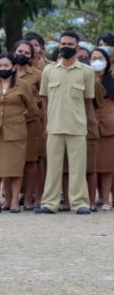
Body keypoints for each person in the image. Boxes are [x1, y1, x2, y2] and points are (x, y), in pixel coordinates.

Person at [36, 30, 96, 215]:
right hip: (54, 126)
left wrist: (87, 125)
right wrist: (46, 124)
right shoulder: (49, 71)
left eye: (70, 45)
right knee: (53, 167)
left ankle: (79, 203)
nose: (66, 47)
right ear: (59, 46)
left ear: (77, 48)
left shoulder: (86, 72)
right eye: (63, 44)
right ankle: (50, 203)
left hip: (77, 127)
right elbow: (44, 99)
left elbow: (88, 102)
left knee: (78, 167)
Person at [0, 54, 36, 213]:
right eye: (0, 66)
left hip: (16, 131)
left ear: (13, 67)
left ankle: (14, 201)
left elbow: (33, 109)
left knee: (15, 168)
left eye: (6, 65)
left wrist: (19, 117)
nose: (3, 68)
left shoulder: (22, 85)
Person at [13, 40, 44, 210]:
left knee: (31, 161)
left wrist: (32, 105)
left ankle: (29, 199)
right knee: (13, 160)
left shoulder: (37, 74)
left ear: (31, 56)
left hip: (31, 122)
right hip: (10, 123)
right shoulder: (7, 71)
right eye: (20, 51)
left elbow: (44, 97)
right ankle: (14, 197)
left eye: (26, 53)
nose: (22, 55)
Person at [90, 48, 114, 210]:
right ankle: (93, 198)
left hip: (108, 126)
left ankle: (105, 199)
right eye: (93, 58)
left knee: (106, 166)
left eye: (100, 58)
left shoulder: (111, 80)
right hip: (89, 126)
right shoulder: (86, 78)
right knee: (93, 166)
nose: (97, 61)